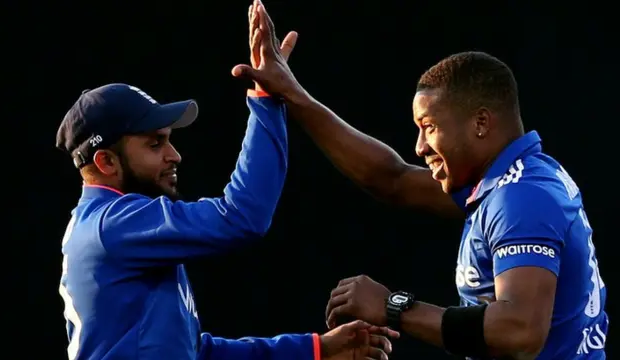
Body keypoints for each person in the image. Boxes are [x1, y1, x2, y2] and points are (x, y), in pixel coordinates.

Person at [232, 2, 609, 359]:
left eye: (429, 127)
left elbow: (520, 331)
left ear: (480, 123)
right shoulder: (510, 180)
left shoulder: (522, 197)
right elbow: (391, 179)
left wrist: (393, 306)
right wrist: (293, 95)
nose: (419, 146)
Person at [54, 6, 399, 359]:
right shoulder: (113, 224)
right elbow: (242, 216)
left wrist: (316, 349)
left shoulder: (110, 226)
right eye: (155, 144)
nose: (174, 155)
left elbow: (196, 352)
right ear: (106, 161)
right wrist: (266, 99)